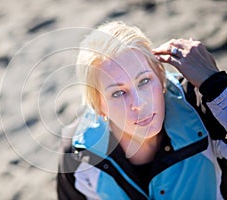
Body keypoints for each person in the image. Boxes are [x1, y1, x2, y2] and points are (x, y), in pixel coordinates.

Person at [57, 21, 227, 199]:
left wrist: (216, 84)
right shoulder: (79, 156)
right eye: (118, 93)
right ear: (99, 106)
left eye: (144, 81)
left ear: (160, 77)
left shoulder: (203, 108)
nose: (139, 102)